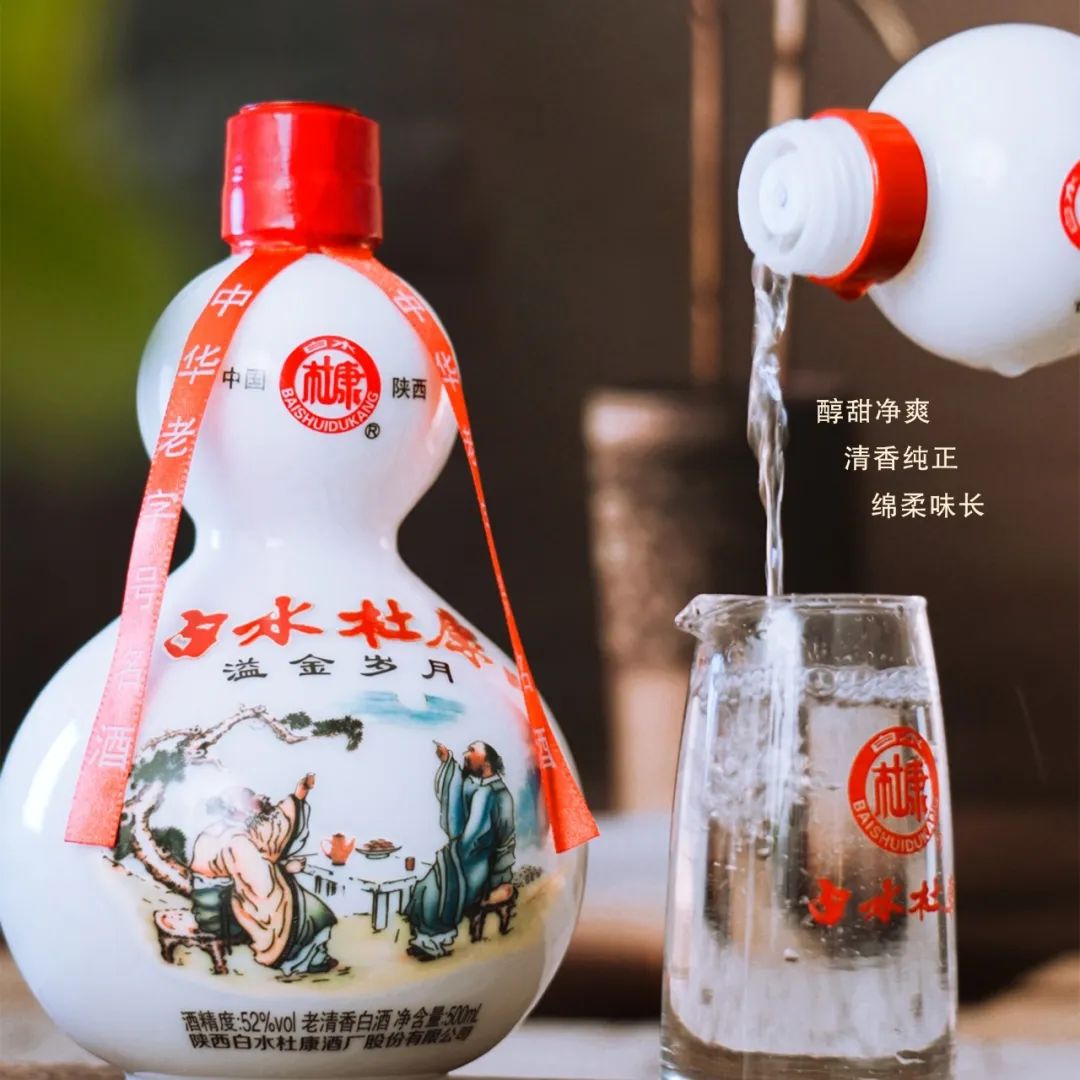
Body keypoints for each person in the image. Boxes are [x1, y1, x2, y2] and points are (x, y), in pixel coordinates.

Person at [189, 773, 338, 975]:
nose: (258, 800)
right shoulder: (236, 839)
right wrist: (286, 868)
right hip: (218, 910)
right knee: (312, 911)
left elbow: (268, 835)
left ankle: (315, 954)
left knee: (302, 903)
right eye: (249, 799)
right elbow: (262, 885)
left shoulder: (228, 828)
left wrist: (299, 795)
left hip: (222, 899)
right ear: (236, 809)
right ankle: (307, 960)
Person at [405, 741, 516, 960]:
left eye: (472, 751)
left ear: (487, 761)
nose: (466, 754)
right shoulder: (473, 785)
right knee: (425, 887)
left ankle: (435, 942)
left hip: (481, 862)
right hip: (460, 856)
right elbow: (455, 795)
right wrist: (447, 761)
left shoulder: (499, 793)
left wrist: (500, 876)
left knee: (440, 892)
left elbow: (504, 838)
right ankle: (425, 940)